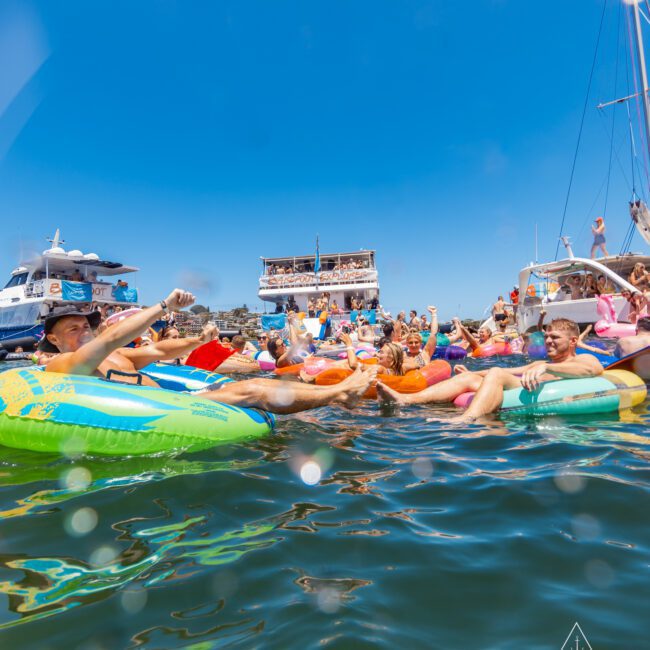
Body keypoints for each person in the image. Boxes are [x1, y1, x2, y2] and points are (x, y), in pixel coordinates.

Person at [41, 290, 375, 414]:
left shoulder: (116, 358)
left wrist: (197, 341)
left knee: (268, 385)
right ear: (54, 340)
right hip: (161, 409)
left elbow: (157, 348)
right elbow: (109, 339)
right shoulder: (63, 362)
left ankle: (338, 395)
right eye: (73, 329)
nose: (84, 331)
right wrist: (163, 306)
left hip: (175, 399)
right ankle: (340, 392)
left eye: (86, 326)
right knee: (254, 389)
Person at [377, 318, 604, 422]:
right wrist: (472, 374)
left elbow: (592, 370)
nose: (548, 342)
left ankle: (467, 418)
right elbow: (513, 373)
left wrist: (547, 366)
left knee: (495, 372)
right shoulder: (539, 364)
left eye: (555, 337)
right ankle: (406, 400)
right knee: (478, 375)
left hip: (548, 395)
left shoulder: (582, 358)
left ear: (573, 341)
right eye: (546, 337)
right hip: (522, 389)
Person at [403, 306, 438, 371]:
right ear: (407, 344)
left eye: (416, 342)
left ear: (421, 344)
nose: (414, 345)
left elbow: (433, 334)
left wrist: (434, 314)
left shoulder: (425, 353)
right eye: (410, 343)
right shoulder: (403, 355)